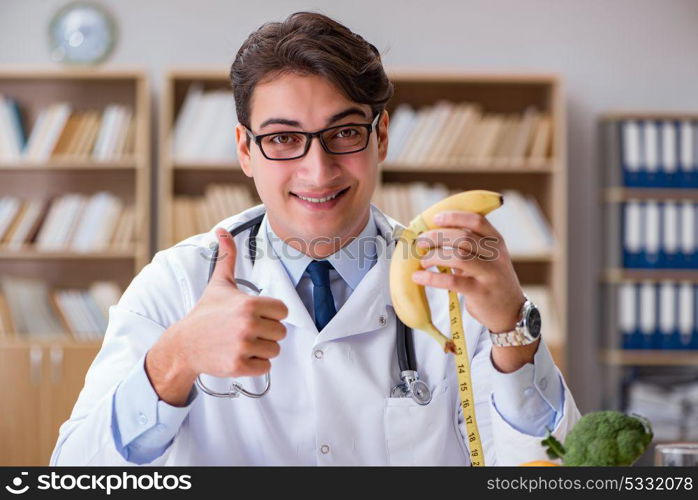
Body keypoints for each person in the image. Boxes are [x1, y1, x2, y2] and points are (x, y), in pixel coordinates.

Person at [50, 11, 580, 466]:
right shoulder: (176, 283)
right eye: (283, 138)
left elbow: (549, 467)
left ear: (382, 137)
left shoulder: (456, 284)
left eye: (344, 133)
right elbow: (72, 474)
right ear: (244, 149)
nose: (318, 169)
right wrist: (175, 358)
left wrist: (515, 328)